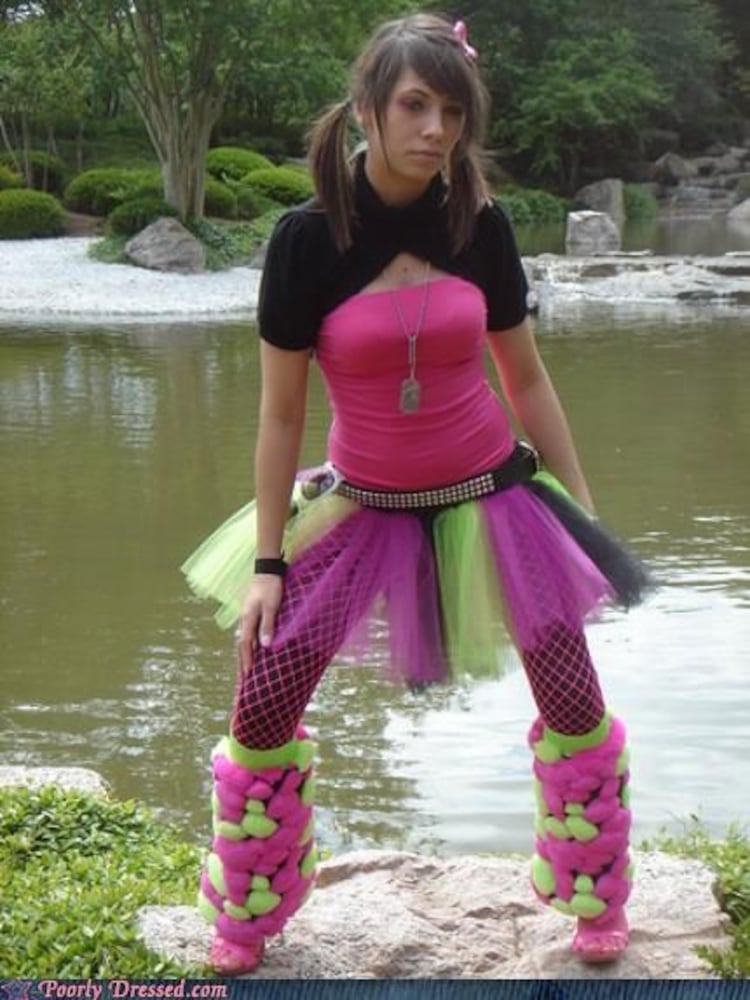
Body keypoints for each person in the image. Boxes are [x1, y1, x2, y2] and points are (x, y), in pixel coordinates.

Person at [182, 12, 650, 976]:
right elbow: (279, 416)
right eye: (415, 105)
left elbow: (527, 380)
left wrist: (582, 511)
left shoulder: (480, 224)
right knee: (262, 704)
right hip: (360, 504)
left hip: (496, 494)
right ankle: (252, 906)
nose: (436, 129)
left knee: (573, 700)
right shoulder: (307, 240)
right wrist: (267, 561)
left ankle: (594, 895)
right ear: (367, 109)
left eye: (453, 111)